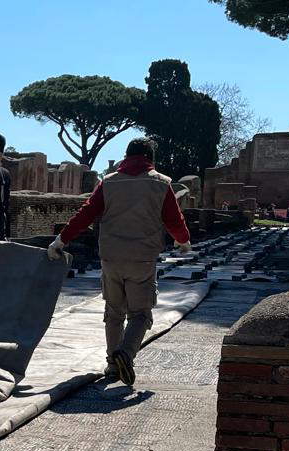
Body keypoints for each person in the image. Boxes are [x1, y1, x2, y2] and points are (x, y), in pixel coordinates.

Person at [48, 137, 191, 387]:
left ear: (126, 156)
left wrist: (61, 240)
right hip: (142, 259)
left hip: (111, 258)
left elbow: (86, 213)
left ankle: (112, 366)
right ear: (151, 159)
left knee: (113, 313)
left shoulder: (109, 182)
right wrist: (183, 241)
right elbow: (173, 219)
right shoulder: (161, 184)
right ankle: (125, 353)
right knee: (140, 314)